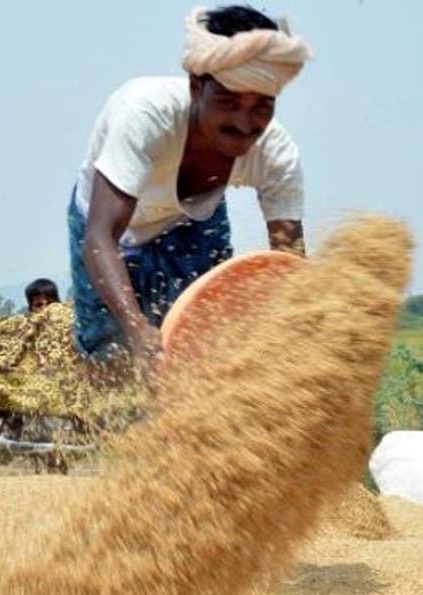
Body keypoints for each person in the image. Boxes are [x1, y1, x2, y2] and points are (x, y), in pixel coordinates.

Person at [67, 4, 312, 368]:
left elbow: (288, 263)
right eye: (228, 103)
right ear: (197, 87)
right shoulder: (145, 116)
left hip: (193, 220)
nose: (244, 124)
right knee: (111, 354)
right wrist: (137, 330)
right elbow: (100, 238)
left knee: (204, 346)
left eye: (261, 108)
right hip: (110, 229)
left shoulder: (277, 155)